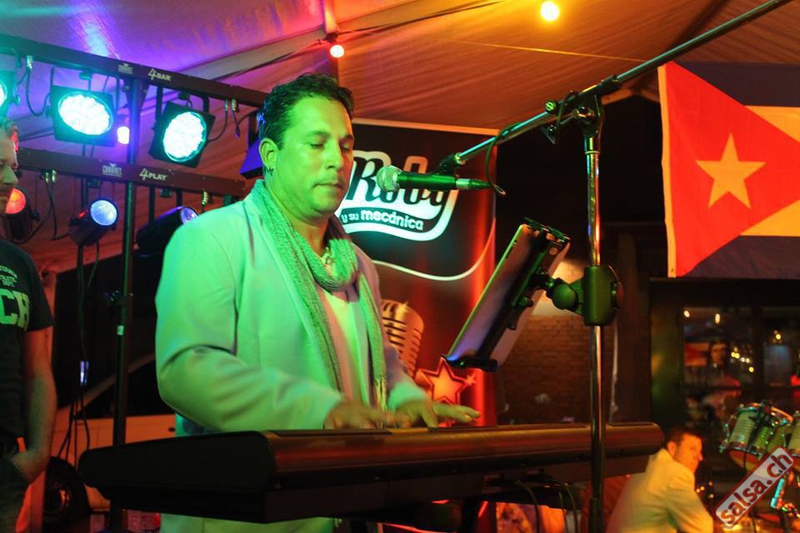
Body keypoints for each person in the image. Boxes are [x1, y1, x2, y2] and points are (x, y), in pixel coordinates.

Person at [155, 73, 480, 533]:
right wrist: (322, 411)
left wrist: (407, 401)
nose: (337, 161)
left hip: (348, 509)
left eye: (346, 147)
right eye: (317, 143)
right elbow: (186, 371)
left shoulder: (358, 262)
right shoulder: (211, 239)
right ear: (271, 155)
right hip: (249, 516)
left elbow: (381, 364)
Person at [0, 117, 57, 533]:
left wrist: (36, 456)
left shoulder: (19, 263)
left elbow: (38, 371)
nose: (11, 179)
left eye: (13, 167)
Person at [606, 425, 713, 533]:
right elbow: (703, 527)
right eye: (692, 449)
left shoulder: (650, 465)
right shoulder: (675, 473)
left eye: (700, 451)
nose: (699, 457)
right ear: (672, 448)